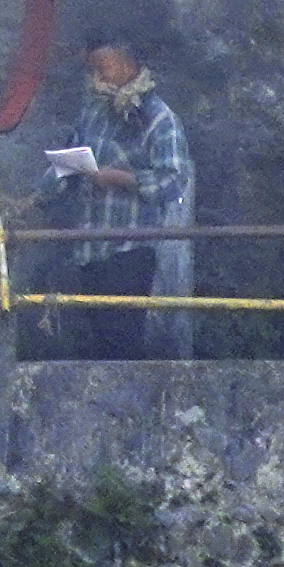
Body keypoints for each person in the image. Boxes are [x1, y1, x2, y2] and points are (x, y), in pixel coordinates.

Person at [47, 34, 194, 360]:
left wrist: (123, 179)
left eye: (105, 67)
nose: (99, 77)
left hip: (130, 249)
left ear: (128, 64)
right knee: (97, 337)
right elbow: (67, 160)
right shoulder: (93, 111)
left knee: (122, 339)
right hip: (89, 247)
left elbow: (173, 182)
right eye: (94, 69)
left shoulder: (160, 119)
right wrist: (36, 198)